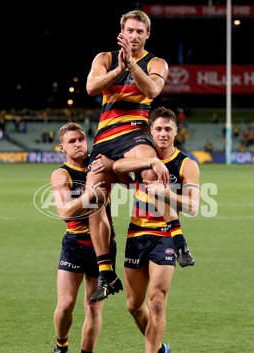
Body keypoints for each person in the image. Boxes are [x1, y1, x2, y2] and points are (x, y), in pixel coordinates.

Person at [85, 9, 194, 303]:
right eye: (129, 31)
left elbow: (153, 89)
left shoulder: (156, 62)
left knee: (152, 174)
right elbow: (91, 87)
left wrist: (132, 65)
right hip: (105, 137)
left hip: (135, 130)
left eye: (139, 32)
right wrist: (119, 69)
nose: (134, 36)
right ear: (121, 33)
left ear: (147, 35)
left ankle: (179, 240)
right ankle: (107, 273)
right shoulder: (105, 58)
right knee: (94, 198)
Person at [92, 106, 200, 353]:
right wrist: (147, 164)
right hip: (136, 235)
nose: (163, 133)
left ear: (176, 132)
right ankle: (161, 349)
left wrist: (167, 193)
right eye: (158, 129)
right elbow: (117, 167)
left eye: (168, 129)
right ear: (150, 132)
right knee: (134, 306)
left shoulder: (186, 164)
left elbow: (194, 206)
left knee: (157, 301)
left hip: (164, 236)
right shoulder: (141, 154)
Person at [48, 122, 117, 353]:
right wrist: (89, 197)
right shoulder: (60, 174)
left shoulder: (100, 165)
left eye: (82, 139)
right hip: (75, 244)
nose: (79, 143)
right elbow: (64, 212)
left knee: (94, 309)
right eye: (73, 140)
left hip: (103, 246)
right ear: (62, 147)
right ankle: (61, 347)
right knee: (65, 305)